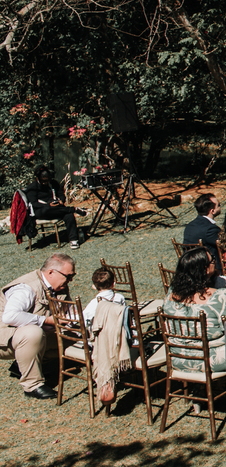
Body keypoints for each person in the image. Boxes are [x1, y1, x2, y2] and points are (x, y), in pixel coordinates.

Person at [0, 252, 75, 398]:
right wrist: (47, 321)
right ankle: (32, 385)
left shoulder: (60, 287)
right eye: (68, 276)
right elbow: (10, 316)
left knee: (72, 335)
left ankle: (24, 365)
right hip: (4, 336)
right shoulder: (26, 288)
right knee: (33, 333)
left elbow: (70, 314)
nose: (71, 280)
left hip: (23, 335)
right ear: (51, 272)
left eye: (73, 275)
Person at [162, 249, 226, 372]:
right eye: (213, 259)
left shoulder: (171, 294)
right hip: (210, 359)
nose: (215, 261)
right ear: (206, 269)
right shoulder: (220, 296)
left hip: (177, 357)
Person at [83, 266, 130, 404]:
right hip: (118, 337)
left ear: (94, 286)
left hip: (100, 340)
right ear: (114, 283)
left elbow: (85, 321)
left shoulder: (93, 304)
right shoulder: (120, 298)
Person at [26, 165, 87, 249]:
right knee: (49, 209)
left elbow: (61, 194)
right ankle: (73, 209)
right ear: (38, 178)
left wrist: (61, 200)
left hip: (57, 209)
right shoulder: (32, 187)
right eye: (43, 181)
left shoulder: (54, 183)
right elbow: (34, 203)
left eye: (47, 181)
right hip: (42, 211)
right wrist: (48, 205)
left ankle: (74, 240)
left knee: (69, 215)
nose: (45, 183)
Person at [183, 193, 223, 273]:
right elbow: (225, 245)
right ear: (212, 211)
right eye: (218, 205)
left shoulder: (190, 226)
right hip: (211, 270)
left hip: (191, 267)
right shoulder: (210, 229)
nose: (220, 205)